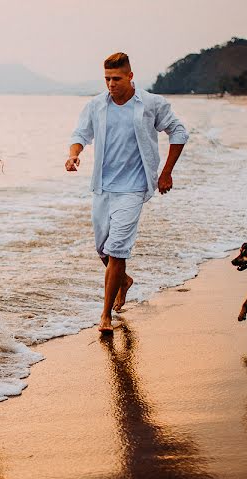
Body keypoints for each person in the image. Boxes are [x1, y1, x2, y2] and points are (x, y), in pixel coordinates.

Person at [66, 52, 189, 333]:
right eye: (107, 78)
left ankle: (105, 315)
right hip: (103, 187)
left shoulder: (150, 104)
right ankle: (123, 280)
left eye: (117, 78)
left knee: (117, 249)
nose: (111, 84)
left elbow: (179, 132)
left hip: (133, 188)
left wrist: (166, 172)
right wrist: (73, 155)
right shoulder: (97, 105)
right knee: (102, 250)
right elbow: (79, 135)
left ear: (131, 77)